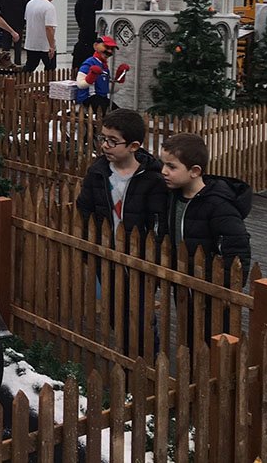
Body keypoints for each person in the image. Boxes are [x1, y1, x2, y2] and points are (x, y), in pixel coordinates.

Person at [75, 108, 168, 356]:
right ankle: (127, 360)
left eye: (113, 141)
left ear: (133, 146)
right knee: (116, 312)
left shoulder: (152, 179)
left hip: (140, 260)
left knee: (142, 316)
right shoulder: (97, 173)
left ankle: (147, 360)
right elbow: (84, 210)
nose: (104, 145)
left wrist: (154, 255)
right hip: (107, 256)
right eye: (102, 138)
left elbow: (159, 222)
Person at [159, 132, 252, 343]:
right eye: (163, 164)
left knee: (216, 342)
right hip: (184, 283)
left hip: (213, 290)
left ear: (194, 171)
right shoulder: (172, 196)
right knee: (189, 337)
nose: (164, 171)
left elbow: (238, 248)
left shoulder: (218, 204)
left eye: (172, 167)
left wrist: (227, 288)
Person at [23, 0, 59, 73]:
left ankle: (20, 85)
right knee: (50, 69)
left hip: (31, 43)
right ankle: (48, 86)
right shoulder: (49, 6)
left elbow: (27, 20)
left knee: (29, 67)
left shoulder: (30, 3)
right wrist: (52, 46)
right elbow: (49, 28)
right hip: (45, 45)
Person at [76, 35, 117, 112]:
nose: (110, 51)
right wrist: (92, 76)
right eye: (106, 47)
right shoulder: (89, 63)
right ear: (95, 46)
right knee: (108, 113)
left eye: (112, 49)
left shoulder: (104, 66)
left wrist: (119, 79)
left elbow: (108, 88)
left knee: (118, 112)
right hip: (89, 98)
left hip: (102, 98)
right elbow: (80, 84)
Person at [72, 0, 105, 66]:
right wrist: (83, 25)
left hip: (101, 38)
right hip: (85, 37)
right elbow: (77, 13)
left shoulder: (109, 0)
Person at [0, 0, 29, 66]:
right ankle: (17, 63)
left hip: (5, 24)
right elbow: (27, 9)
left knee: (6, 45)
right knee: (18, 46)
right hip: (19, 24)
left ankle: (5, 62)